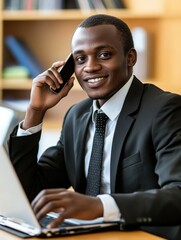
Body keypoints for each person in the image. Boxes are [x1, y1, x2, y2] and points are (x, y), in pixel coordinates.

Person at [9, 14, 181, 239]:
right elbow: (27, 193)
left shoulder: (165, 109)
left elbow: (177, 195)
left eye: (104, 55)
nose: (90, 67)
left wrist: (100, 206)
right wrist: (35, 111)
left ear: (130, 58)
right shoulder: (76, 116)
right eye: (80, 59)